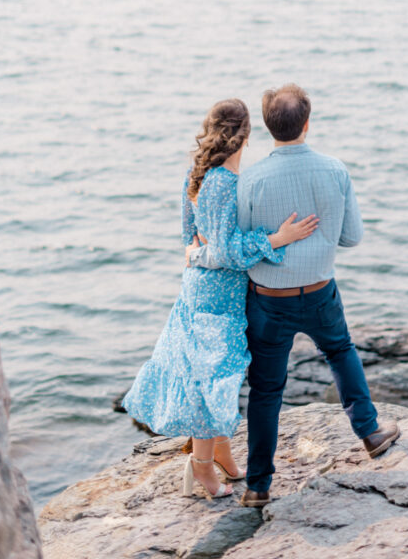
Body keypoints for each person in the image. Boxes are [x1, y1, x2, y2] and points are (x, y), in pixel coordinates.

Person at [189, 84, 399, 507]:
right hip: (320, 291)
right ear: (307, 123)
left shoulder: (249, 180)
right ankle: (370, 432)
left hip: (267, 298)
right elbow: (352, 237)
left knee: (267, 391)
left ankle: (259, 485)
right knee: (340, 351)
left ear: (267, 128)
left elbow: (243, 243)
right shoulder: (336, 170)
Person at [122, 98, 318, 501]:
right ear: (246, 136)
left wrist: (200, 253)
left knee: (213, 377)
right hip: (218, 296)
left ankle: (225, 459)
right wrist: (278, 239)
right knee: (214, 380)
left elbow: (187, 237)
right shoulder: (227, 185)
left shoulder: (197, 175)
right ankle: (201, 469)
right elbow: (227, 252)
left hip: (196, 288)